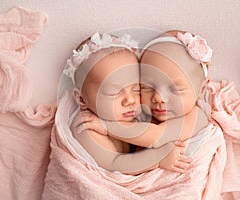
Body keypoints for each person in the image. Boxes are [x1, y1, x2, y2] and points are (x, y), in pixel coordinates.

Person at [64, 32, 191, 175]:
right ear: (82, 99)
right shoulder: (86, 127)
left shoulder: (133, 114)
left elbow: (166, 131)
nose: (130, 100)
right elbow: (114, 164)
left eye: (136, 89)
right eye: (114, 93)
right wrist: (158, 158)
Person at [80, 30, 214, 160]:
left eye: (175, 89)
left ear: (202, 89)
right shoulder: (141, 114)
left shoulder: (197, 117)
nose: (158, 98)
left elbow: (155, 137)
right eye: (146, 87)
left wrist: (106, 126)